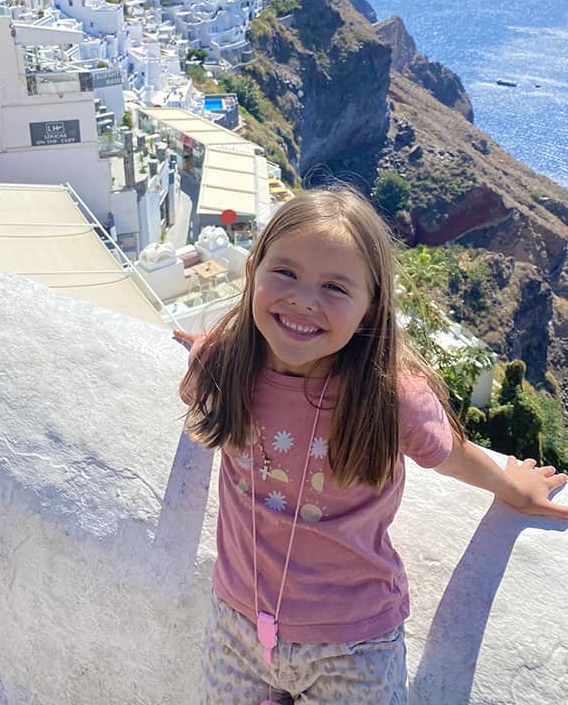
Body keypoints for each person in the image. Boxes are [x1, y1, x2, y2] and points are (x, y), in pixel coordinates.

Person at [175, 185, 568, 705]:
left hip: (353, 645)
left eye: (335, 287)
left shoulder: (389, 396)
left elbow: (451, 455)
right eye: (285, 273)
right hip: (238, 625)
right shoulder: (225, 363)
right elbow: (203, 373)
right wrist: (200, 347)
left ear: (370, 308)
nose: (304, 300)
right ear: (253, 271)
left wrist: (512, 486)